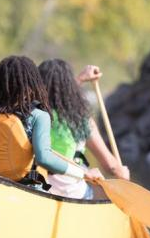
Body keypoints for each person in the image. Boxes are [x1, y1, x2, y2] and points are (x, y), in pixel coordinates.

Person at [0, 55, 103, 198]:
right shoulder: (39, 116)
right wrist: (83, 173)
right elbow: (44, 158)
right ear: (32, 84)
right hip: (29, 192)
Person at [38, 59, 130, 199]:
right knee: (102, 189)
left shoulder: (33, 115)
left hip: (39, 188)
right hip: (73, 191)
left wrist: (81, 78)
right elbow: (111, 166)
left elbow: (54, 91)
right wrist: (122, 174)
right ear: (70, 87)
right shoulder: (82, 119)